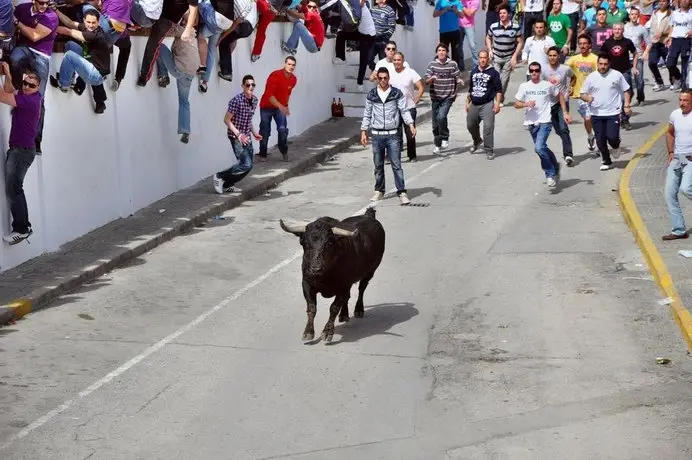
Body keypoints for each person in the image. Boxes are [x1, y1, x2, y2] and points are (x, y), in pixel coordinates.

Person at [360, 66, 416, 205]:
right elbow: (367, 113)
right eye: (380, 78)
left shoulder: (396, 94)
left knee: (396, 165)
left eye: (385, 78)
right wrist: (363, 131)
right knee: (378, 165)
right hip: (377, 135)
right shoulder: (372, 94)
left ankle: (402, 191)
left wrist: (410, 124)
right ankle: (379, 190)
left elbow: (404, 110)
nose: (383, 80)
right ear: (377, 79)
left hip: (393, 135)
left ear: (389, 78)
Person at [0, 64, 41, 245]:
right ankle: (22, 228)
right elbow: (10, 90)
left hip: (21, 152)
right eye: (25, 83)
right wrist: (8, 73)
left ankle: (22, 229)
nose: (26, 87)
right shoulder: (26, 95)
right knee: (14, 188)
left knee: (14, 189)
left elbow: (2, 96)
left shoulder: (30, 102)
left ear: (38, 87)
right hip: (19, 150)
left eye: (31, 85)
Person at [11, 0, 58, 154]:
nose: (45, 6)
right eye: (42, 2)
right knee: (14, 59)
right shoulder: (23, 8)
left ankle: (36, 140)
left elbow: (34, 35)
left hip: (41, 56)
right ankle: (18, 93)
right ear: (33, 0)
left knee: (39, 99)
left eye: (47, 2)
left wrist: (16, 22)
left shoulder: (51, 16)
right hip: (23, 49)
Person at [514, 61, 570, 188]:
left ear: (540, 72)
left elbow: (560, 94)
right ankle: (555, 166)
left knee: (539, 148)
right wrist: (526, 104)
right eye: (532, 70)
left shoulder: (547, 85)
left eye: (537, 70)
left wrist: (565, 112)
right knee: (542, 148)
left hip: (545, 121)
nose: (534, 73)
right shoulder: (524, 86)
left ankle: (550, 174)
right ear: (529, 72)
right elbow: (516, 103)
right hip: (531, 123)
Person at [52, 8, 110, 114]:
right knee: (71, 45)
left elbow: (68, 31)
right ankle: (71, 79)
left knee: (69, 56)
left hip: (96, 75)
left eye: (94, 23)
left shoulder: (93, 34)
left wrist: (47, 27)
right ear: (84, 20)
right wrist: (56, 10)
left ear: (98, 22)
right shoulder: (89, 28)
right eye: (88, 22)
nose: (91, 25)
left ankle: (64, 85)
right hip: (93, 66)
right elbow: (70, 23)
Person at [579, 52, 631, 170]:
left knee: (612, 137)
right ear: (597, 63)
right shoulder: (591, 77)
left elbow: (626, 90)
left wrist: (627, 105)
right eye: (600, 64)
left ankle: (616, 144)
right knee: (600, 139)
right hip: (596, 113)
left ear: (609, 64)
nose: (603, 66)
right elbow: (582, 93)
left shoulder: (616, 75)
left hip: (613, 112)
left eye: (605, 64)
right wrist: (587, 98)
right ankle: (606, 161)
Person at [213, 75, 262, 194]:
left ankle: (228, 184)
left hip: (247, 136)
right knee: (246, 164)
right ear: (243, 86)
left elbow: (248, 119)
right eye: (248, 85)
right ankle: (219, 176)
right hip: (236, 137)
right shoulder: (237, 100)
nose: (251, 87)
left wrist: (255, 133)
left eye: (253, 85)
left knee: (248, 166)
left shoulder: (255, 100)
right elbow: (226, 120)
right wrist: (239, 135)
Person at [155, 17, 199, 144]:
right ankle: (185, 130)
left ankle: (163, 76)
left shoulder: (182, 30)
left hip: (180, 70)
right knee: (184, 101)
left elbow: (165, 30)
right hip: (190, 74)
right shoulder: (193, 33)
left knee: (159, 46)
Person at [136, 0, 199, 87]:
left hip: (167, 19)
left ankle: (144, 76)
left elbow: (194, 9)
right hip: (154, 10)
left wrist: (188, 30)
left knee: (153, 45)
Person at [663, 89, 692, 241]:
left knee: (686, 188)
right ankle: (679, 230)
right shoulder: (675, 115)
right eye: (680, 100)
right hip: (677, 159)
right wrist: (670, 152)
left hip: (691, 160)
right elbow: (669, 132)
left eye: (686, 101)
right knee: (669, 194)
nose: (682, 103)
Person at [425, 43, 463, 154]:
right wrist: (431, 78)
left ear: (447, 52)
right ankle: (437, 144)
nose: (441, 52)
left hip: (448, 96)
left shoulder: (452, 64)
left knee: (441, 117)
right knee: (435, 124)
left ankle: (445, 137)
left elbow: (457, 76)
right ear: (436, 52)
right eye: (439, 50)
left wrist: (459, 81)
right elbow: (426, 81)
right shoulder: (432, 64)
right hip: (435, 97)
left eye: (443, 50)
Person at [258, 56, 297, 161]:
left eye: (293, 65)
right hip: (266, 107)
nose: (291, 67)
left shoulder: (293, 79)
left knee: (282, 129)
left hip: (280, 108)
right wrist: (281, 106)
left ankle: (284, 150)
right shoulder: (275, 75)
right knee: (265, 131)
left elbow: (288, 93)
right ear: (285, 64)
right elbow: (269, 95)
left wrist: (286, 105)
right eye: (289, 64)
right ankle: (262, 154)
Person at [466, 49, 502, 159]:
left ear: (488, 59)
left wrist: (497, 104)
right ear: (478, 59)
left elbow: (498, 90)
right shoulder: (474, 71)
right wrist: (467, 103)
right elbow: (470, 89)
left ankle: (489, 150)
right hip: (474, 103)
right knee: (470, 125)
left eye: (484, 58)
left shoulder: (493, 73)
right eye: (480, 57)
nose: (482, 60)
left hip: (487, 103)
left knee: (488, 127)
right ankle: (477, 140)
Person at [601, 22, 638, 130]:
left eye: (619, 29)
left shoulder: (627, 42)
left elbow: (635, 54)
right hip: (611, 73)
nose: (617, 31)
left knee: (628, 93)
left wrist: (634, 67)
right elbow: (602, 57)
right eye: (615, 29)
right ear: (612, 30)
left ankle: (625, 119)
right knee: (612, 95)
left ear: (623, 31)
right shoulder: (607, 43)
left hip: (624, 71)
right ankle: (617, 117)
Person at [389, 51, 423, 162]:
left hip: (409, 108)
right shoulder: (390, 73)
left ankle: (412, 155)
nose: (396, 62)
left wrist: (416, 99)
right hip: (395, 108)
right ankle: (394, 156)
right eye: (394, 60)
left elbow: (420, 87)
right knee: (395, 134)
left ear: (403, 61)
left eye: (399, 60)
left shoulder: (410, 72)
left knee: (409, 134)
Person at [486, 3, 523, 106]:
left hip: (509, 57)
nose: (502, 15)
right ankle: (497, 98)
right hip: (496, 56)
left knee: (504, 80)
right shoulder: (494, 26)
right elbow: (488, 37)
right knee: (496, 78)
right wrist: (489, 50)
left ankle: (500, 98)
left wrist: (515, 56)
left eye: (504, 13)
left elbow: (520, 42)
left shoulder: (515, 27)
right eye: (500, 13)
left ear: (509, 14)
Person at [543, 46, 574, 165]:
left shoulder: (565, 69)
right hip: (549, 104)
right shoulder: (544, 70)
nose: (552, 57)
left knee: (563, 128)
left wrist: (571, 87)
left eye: (554, 55)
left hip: (563, 102)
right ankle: (566, 141)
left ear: (559, 56)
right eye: (550, 55)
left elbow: (573, 77)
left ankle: (568, 155)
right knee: (558, 130)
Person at [567, 34, 598, 151]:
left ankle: (599, 141)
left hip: (595, 95)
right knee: (587, 118)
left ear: (589, 45)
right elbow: (563, 70)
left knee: (596, 119)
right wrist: (569, 84)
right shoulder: (574, 59)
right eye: (580, 44)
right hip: (581, 95)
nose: (582, 46)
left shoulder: (595, 59)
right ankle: (590, 136)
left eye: (585, 43)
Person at [642, 0, 672, 92]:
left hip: (665, 42)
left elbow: (672, 28)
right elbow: (650, 25)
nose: (661, 3)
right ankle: (659, 82)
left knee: (670, 64)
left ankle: (674, 80)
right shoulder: (655, 12)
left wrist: (664, 34)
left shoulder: (671, 14)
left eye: (664, 1)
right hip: (655, 42)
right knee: (651, 63)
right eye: (660, 1)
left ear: (668, 3)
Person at [624, 7, 648, 105]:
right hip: (625, 57)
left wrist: (646, 52)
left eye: (636, 14)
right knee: (627, 80)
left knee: (639, 80)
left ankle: (640, 98)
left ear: (638, 16)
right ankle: (631, 93)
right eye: (632, 14)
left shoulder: (642, 29)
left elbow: (649, 42)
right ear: (629, 16)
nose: (634, 16)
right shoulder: (624, 27)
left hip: (638, 57)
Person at [665, 0, 691, 91]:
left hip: (687, 40)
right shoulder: (674, 13)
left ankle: (684, 86)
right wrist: (669, 37)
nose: (685, 1)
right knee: (669, 63)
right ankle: (678, 77)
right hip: (675, 40)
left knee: (685, 65)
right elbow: (672, 26)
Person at [433, 0, 464, 71]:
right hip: (444, 32)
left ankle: (455, 72)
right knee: (443, 53)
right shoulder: (441, 2)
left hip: (455, 32)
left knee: (456, 54)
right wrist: (444, 10)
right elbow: (434, 14)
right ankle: (444, 70)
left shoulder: (458, 2)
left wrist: (456, 10)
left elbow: (462, 15)